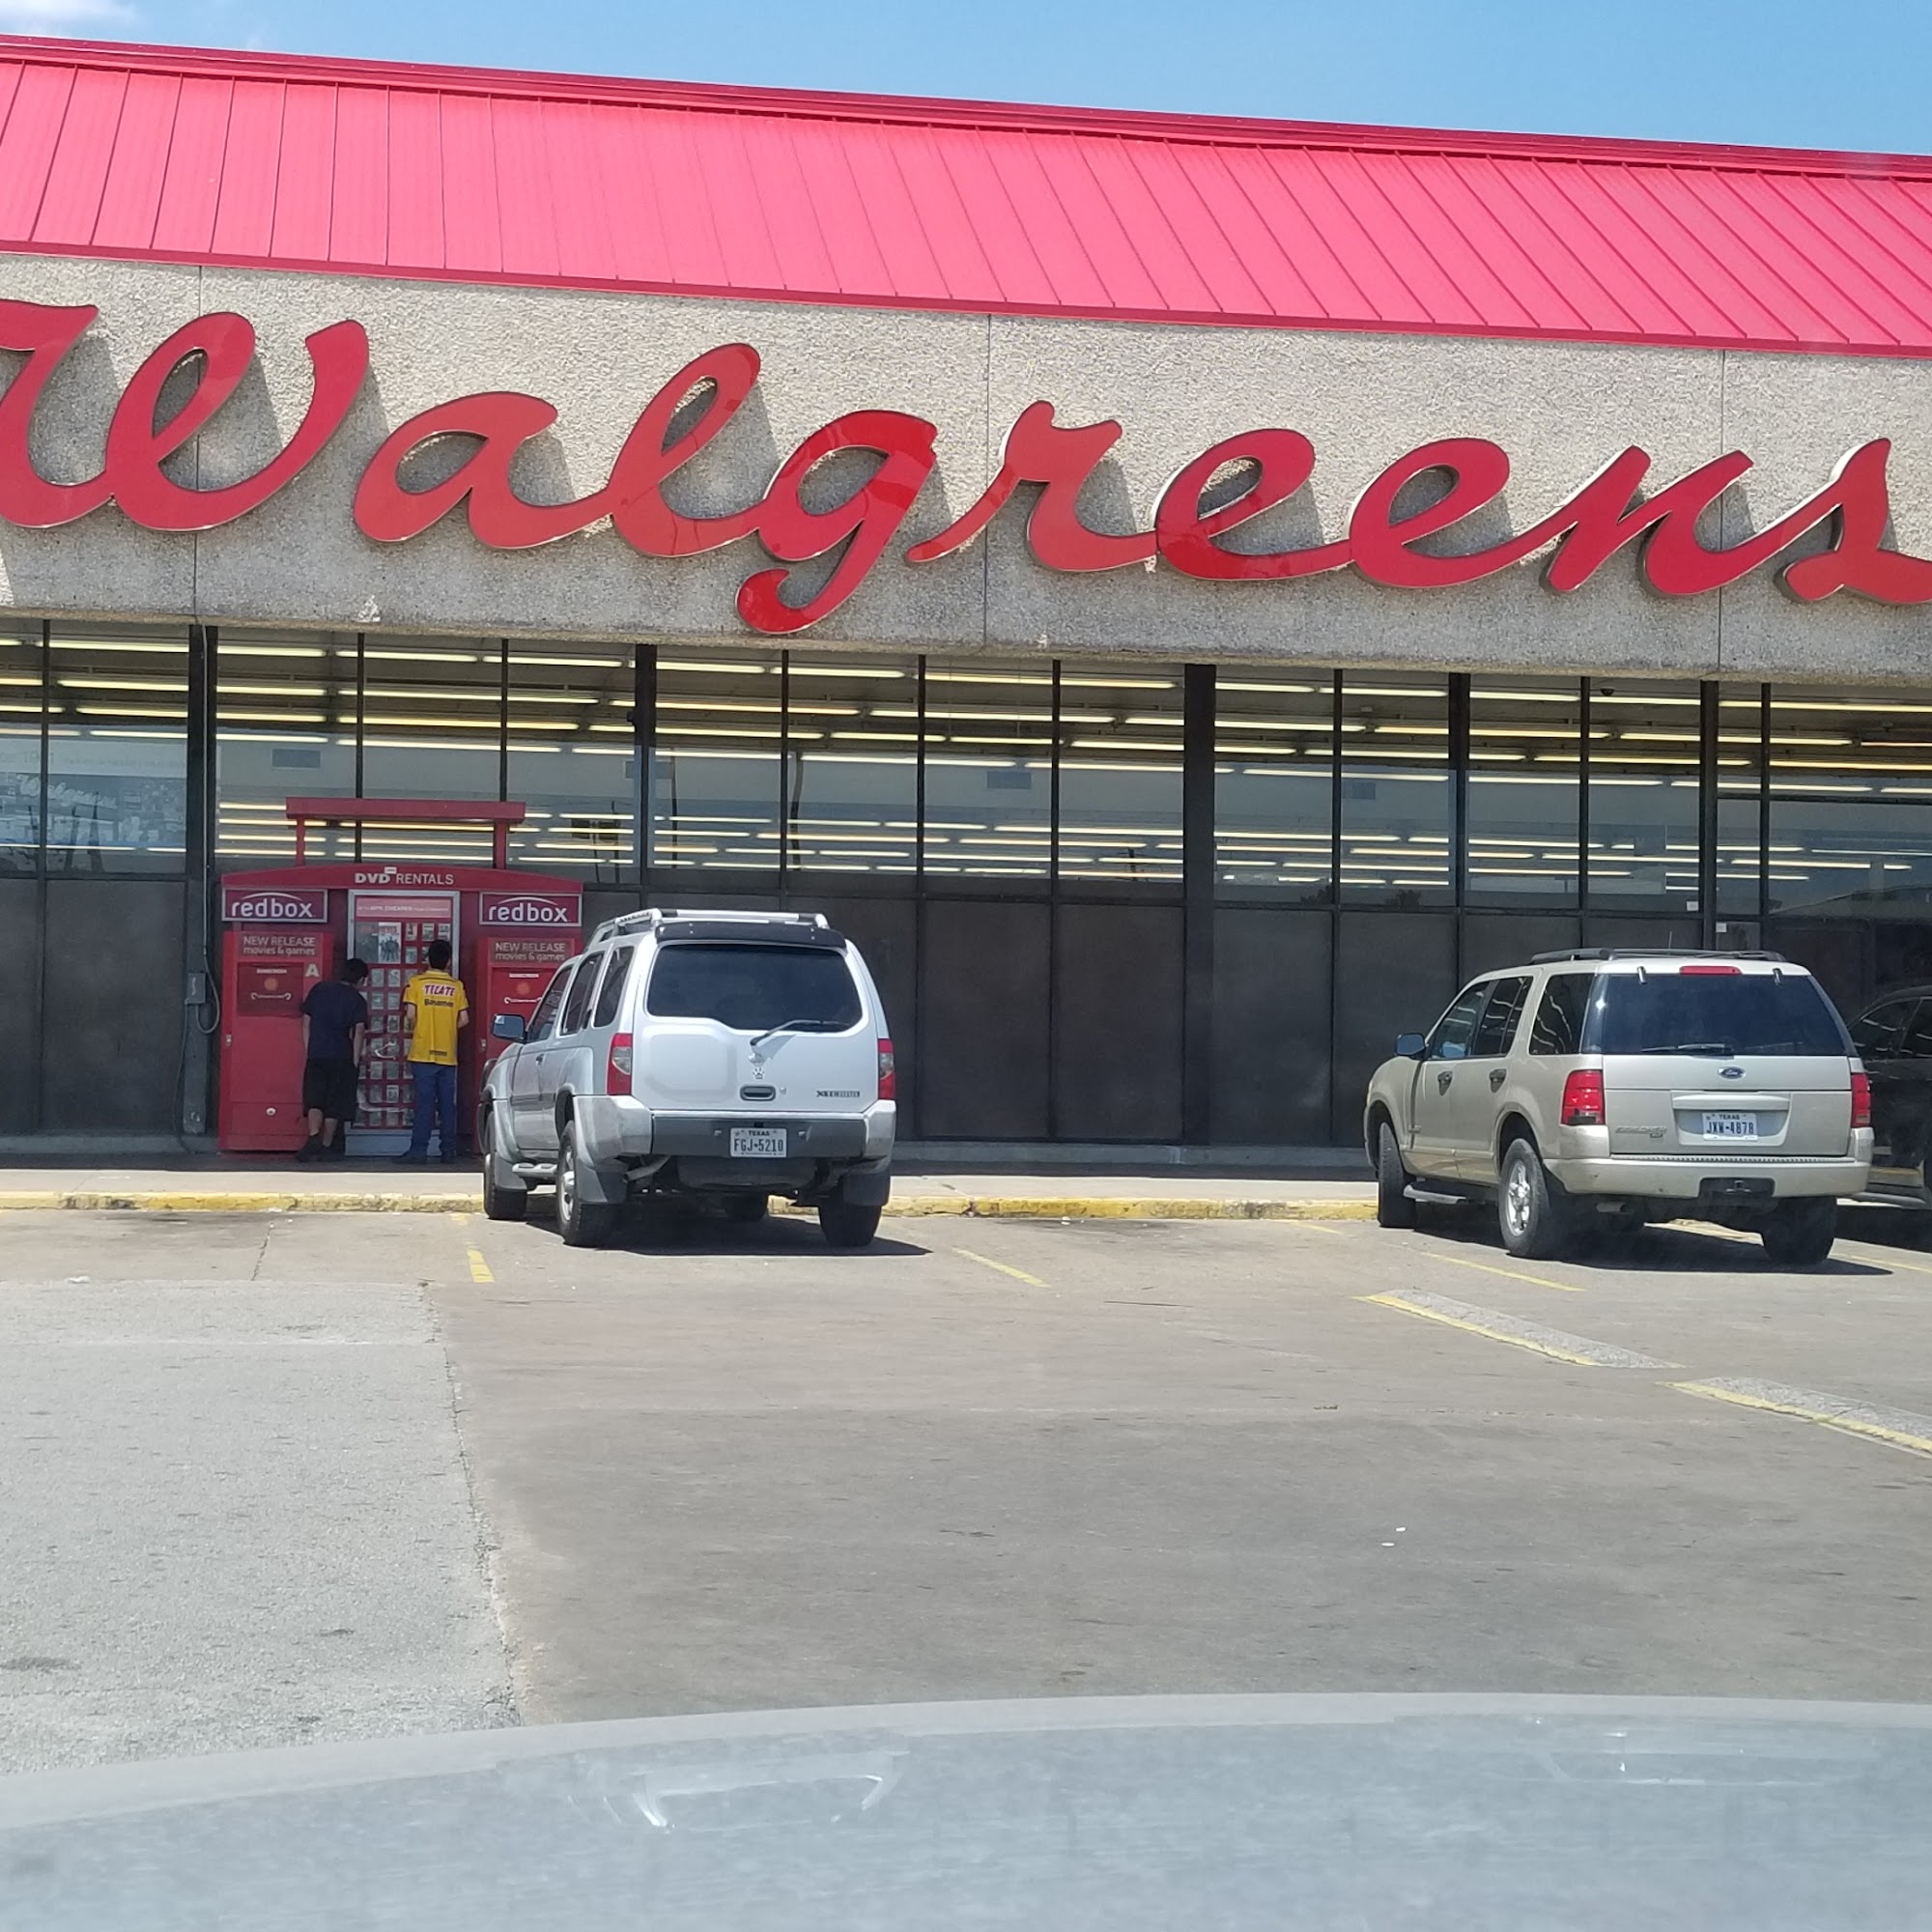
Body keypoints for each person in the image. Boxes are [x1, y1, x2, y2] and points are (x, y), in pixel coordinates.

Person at [396, 938, 469, 1164]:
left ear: (428, 959)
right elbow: (464, 1019)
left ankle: (418, 1152)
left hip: (422, 1052)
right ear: (448, 962)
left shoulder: (416, 983)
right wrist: (447, 1027)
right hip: (447, 1055)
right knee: (447, 1106)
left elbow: (410, 1016)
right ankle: (448, 1151)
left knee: (424, 1105)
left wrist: (418, 1027)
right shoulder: (456, 986)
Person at [298, 957, 370, 1162]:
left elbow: (306, 1021)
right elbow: (359, 1031)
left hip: (317, 1053)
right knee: (334, 1103)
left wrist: (309, 1048)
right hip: (341, 1056)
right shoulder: (357, 1000)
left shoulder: (319, 990)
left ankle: (313, 1137)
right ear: (361, 979)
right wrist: (355, 1060)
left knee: (314, 1098)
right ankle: (327, 1145)